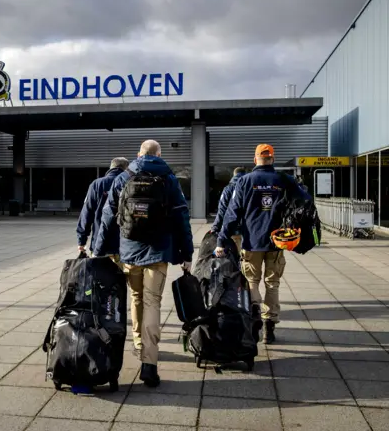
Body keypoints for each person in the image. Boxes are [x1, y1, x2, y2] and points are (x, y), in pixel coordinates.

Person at [93, 139, 194, 387]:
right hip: (159, 251)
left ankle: (138, 343)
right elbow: (182, 217)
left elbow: (107, 216)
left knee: (136, 298)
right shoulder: (169, 179)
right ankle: (149, 363)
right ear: (158, 154)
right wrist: (187, 253)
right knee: (153, 302)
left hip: (129, 251)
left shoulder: (123, 177)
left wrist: (98, 251)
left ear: (139, 154)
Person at [214, 144, 310, 344]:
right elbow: (305, 202)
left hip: (252, 242)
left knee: (252, 282)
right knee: (272, 284)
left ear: (255, 159)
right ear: (272, 159)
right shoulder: (285, 180)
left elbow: (232, 214)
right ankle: (269, 327)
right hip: (277, 243)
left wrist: (222, 239)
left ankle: (255, 319)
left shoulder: (245, 181)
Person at [76, 157, 129, 261]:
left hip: (99, 244)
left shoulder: (97, 184)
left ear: (111, 167)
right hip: (124, 245)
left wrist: (81, 241)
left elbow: (86, 214)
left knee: (100, 276)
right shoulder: (129, 183)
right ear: (126, 169)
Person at [211, 167, 247, 250]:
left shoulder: (228, 188)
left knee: (236, 255)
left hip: (233, 228)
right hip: (248, 229)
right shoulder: (249, 186)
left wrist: (216, 227)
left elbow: (222, 209)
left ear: (234, 175)